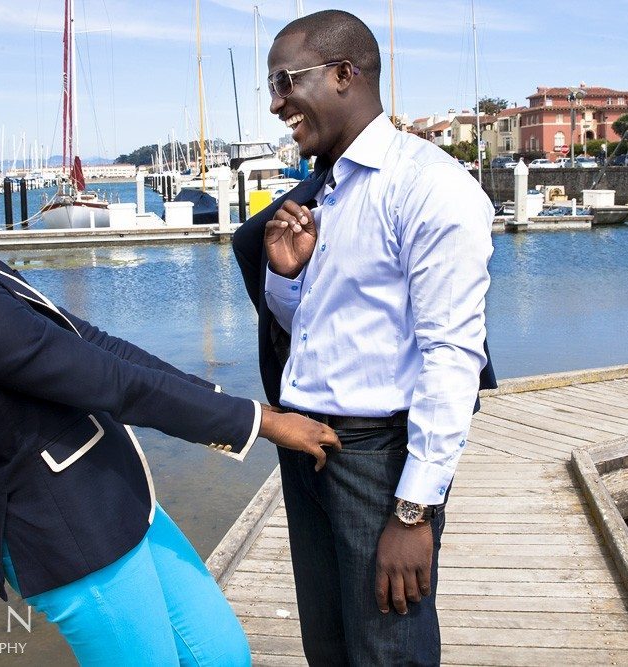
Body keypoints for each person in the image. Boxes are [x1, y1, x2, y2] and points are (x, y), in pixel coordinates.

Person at [0, 155, 341, 666]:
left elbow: (95, 346)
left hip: (118, 499)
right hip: (74, 536)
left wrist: (230, 403)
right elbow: (115, 385)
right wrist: (262, 422)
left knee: (221, 654)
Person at [232, 10, 496, 665]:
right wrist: (286, 278)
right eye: (271, 87)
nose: (275, 104)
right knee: (329, 645)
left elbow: (451, 356)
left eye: (286, 81)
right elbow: (319, 333)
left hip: (377, 459)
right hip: (307, 448)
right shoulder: (326, 192)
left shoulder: (428, 186)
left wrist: (414, 513)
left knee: (388, 647)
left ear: (345, 74)